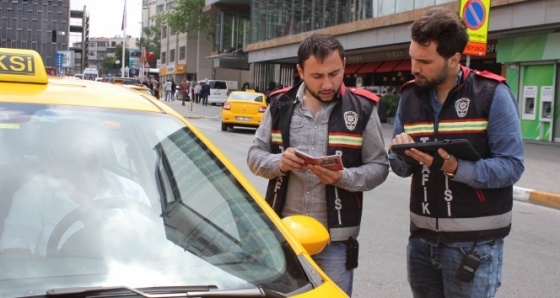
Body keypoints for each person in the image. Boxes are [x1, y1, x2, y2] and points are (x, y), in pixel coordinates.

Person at [388, 8, 524, 298]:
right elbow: (398, 168)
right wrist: (401, 155)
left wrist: (454, 167)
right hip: (422, 242)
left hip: (475, 245)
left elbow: (512, 166)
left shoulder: (492, 93)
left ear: (453, 60)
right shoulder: (410, 96)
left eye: (424, 61)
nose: (414, 67)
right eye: (412, 57)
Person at [247, 33, 389, 296]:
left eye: (334, 74)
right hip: (284, 236)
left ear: (344, 64)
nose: (328, 83)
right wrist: (280, 162)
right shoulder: (280, 104)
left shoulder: (363, 108)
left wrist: (342, 178)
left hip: (336, 241)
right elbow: (255, 156)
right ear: (300, 71)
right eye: (317, 76)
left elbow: (380, 166)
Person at [0, 120, 151, 256]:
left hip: (129, 282)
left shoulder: (131, 191)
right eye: (68, 146)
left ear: (100, 152)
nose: (77, 152)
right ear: (53, 154)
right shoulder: (34, 193)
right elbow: (14, 252)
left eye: (84, 146)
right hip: (60, 285)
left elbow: (151, 246)